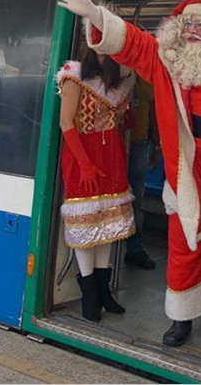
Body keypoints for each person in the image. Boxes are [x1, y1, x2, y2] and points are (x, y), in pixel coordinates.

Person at [57, 0, 201, 349]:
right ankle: (181, 318)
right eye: (187, 27)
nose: (194, 33)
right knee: (187, 239)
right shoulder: (167, 63)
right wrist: (95, 15)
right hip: (191, 167)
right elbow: (133, 42)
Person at [56, 45, 136, 322]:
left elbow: (123, 122)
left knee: (108, 221)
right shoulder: (74, 74)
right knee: (86, 221)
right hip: (83, 154)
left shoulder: (121, 81)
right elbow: (66, 122)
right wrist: (86, 164)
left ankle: (103, 291)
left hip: (111, 153)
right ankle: (89, 293)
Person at [124, 75, 160, 270]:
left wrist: (157, 146)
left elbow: (153, 114)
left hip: (139, 144)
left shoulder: (148, 79)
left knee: (136, 200)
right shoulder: (116, 75)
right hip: (115, 144)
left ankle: (134, 249)